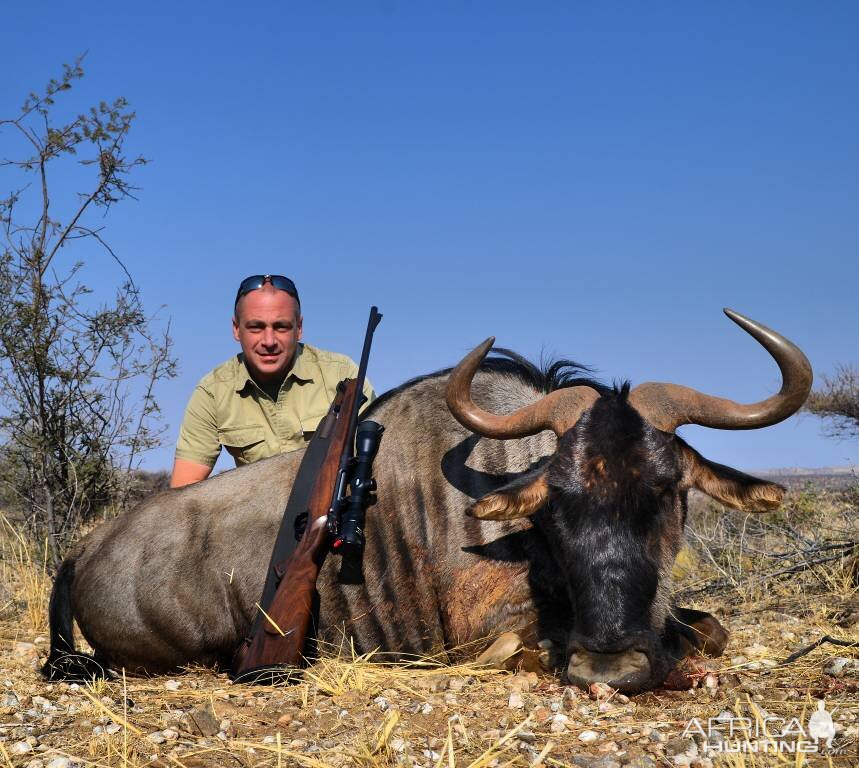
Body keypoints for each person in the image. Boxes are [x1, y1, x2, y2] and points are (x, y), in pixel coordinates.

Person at [170, 275, 375, 487]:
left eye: (281, 327)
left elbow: (376, 462)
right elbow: (184, 489)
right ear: (236, 329)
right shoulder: (212, 391)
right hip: (258, 515)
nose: (269, 341)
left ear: (299, 328)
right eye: (256, 327)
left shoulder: (343, 374)